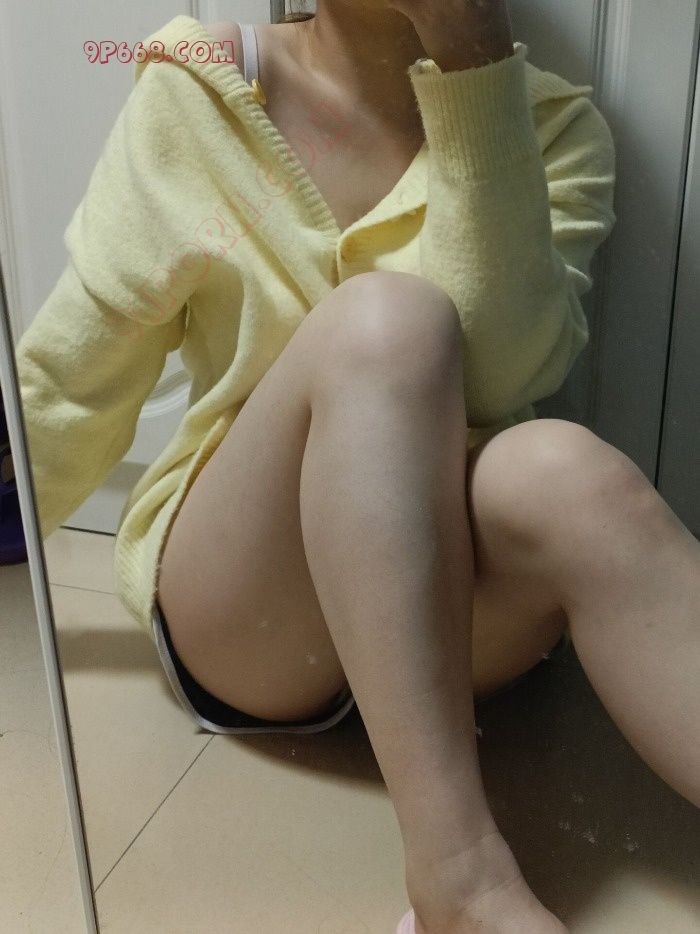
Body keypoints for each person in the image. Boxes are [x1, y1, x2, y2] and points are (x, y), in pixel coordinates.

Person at [15, 2, 699, 933]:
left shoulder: (550, 124)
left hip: (450, 625)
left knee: (568, 468)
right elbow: (75, 378)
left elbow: (504, 370)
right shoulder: (202, 89)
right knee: (387, 323)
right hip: (247, 615)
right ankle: (461, 884)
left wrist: (474, 68)